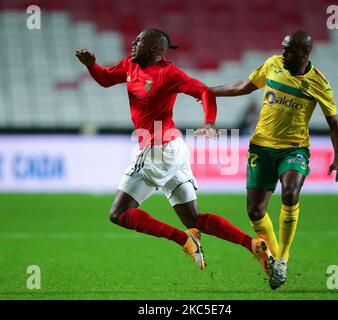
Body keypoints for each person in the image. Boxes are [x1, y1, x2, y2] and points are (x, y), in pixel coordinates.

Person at [75, 28, 274, 275]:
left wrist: (210, 122)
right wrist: (92, 65)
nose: (133, 43)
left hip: (157, 151)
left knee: (119, 213)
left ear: (156, 48)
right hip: (173, 150)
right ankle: (252, 244)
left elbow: (203, 91)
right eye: (134, 39)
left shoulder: (168, 73)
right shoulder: (130, 65)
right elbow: (105, 79)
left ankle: (184, 240)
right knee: (194, 219)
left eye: (139, 41)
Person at [209, 30, 338, 289]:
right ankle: (273, 259)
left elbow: (335, 124)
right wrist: (209, 91)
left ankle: (283, 257)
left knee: (290, 192)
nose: (283, 54)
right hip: (261, 148)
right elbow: (245, 86)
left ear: (304, 54)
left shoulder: (319, 83)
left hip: (293, 150)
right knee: (255, 211)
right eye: (283, 48)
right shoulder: (272, 64)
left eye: (289, 50)